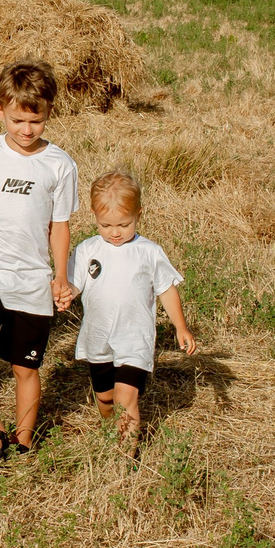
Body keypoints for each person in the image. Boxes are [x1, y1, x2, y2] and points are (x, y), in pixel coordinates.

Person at [0, 61, 80, 466]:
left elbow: (59, 227)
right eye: (17, 120)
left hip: (31, 278)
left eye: (35, 120)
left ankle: (23, 440)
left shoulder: (60, 165)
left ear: (48, 113)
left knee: (25, 367)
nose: (26, 130)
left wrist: (60, 277)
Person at [69, 171, 197, 442]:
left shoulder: (149, 252)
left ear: (139, 214)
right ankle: (111, 434)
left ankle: (125, 455)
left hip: (134, 338)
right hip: (98, 337)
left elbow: (166, 289)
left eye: (124, 225)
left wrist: (180, 326)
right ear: (94, 215)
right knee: (105, 398)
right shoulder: (87, 250)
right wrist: (63, 294)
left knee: (125, 397)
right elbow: (74, 284)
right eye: (106, 225)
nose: (115, 232)